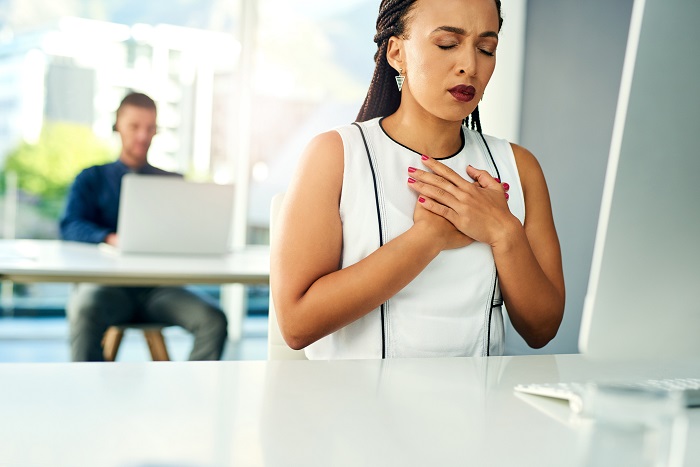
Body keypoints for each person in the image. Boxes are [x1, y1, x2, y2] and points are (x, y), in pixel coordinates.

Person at [271, 0, 565, 359]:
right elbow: (297, 325)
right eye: (447, 44)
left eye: (486, 49)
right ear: (397, 53)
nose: (470, 66)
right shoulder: (336, 155)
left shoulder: (519, 168)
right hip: (355, 410)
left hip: (480, 411)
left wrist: (504, 232)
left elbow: (542, 330)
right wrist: (427, 238)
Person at [60, 92, 228, 362]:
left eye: (150, 128)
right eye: (134, 127)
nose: (142, 136)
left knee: (213, 319)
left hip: (161, 291)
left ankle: (194, 400)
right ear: (117, 126)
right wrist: (109, 238)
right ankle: (86, 398)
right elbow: (69, 225)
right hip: (108, 289)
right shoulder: (91, 179)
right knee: (83, 309)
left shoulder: (173, 183)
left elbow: (189, 232)